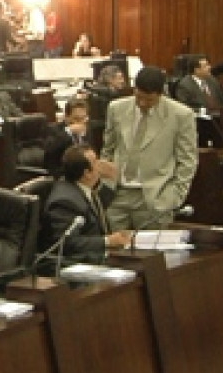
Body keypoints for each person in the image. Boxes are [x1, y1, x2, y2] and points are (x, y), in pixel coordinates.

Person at [99, 66, 198, 231]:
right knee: (114, 253)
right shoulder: (116, 108)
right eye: (139, 97)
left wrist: (174, 196)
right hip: (116, 195)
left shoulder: (181, 115)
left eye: (149, 100)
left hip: (155, 197)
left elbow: (188, 160)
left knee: (151, 255)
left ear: (161, 94)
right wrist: (104, 183)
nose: (142, 103)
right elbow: (107, 148)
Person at [42, 146, 128, 265]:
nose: (101, 164)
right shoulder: (65, 201)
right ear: (87, 173)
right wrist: (107, 241)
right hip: (76, 264)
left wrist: (111, 178)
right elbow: (67, 243)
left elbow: (101, 205)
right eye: (96, 162)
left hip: (94, 257)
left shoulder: (82, 187)